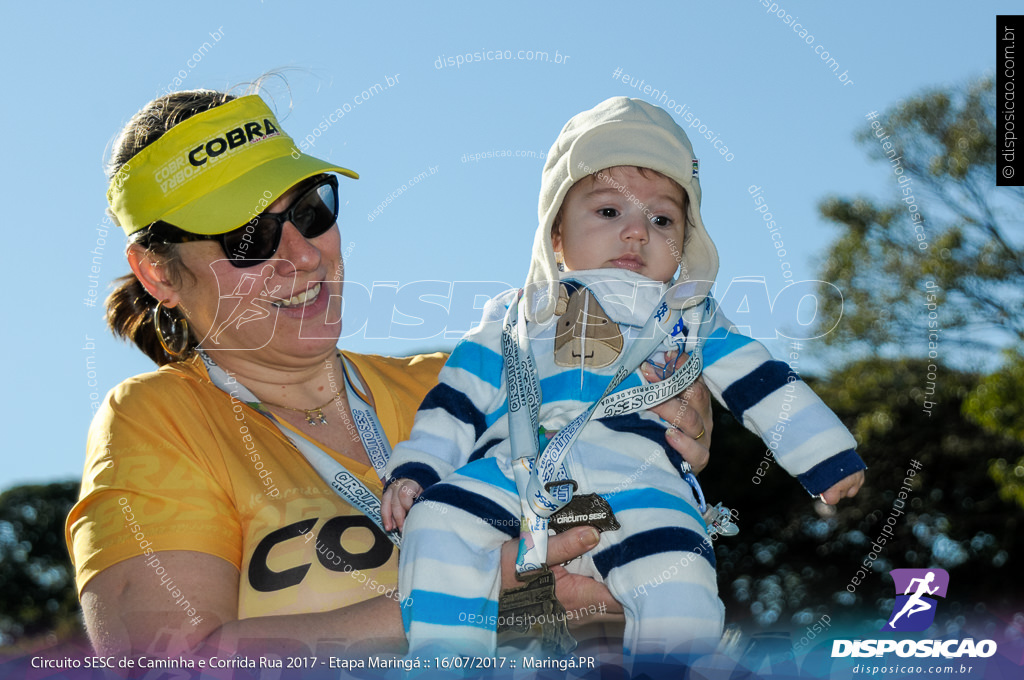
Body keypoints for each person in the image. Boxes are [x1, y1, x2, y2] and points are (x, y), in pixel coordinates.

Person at [64, 88, 715, 660]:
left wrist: (667, 390)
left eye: (311, 211)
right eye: (246, 237)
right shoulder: (160, 420)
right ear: (156, 273)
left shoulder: (459, 381)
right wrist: (477, 593)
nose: (302, 253)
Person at [382, 97, 866, 664]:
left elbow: (760, 379)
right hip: (517, 474)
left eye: (661, 220)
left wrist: (825, 457)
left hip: (640, 479)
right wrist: (418, 471)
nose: (636, 233)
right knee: (438, 521)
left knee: (678, 573)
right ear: (556, 234)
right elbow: (456, 402)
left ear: (685, 245)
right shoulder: (516, 316)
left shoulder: (690, 316)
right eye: (609, 212)